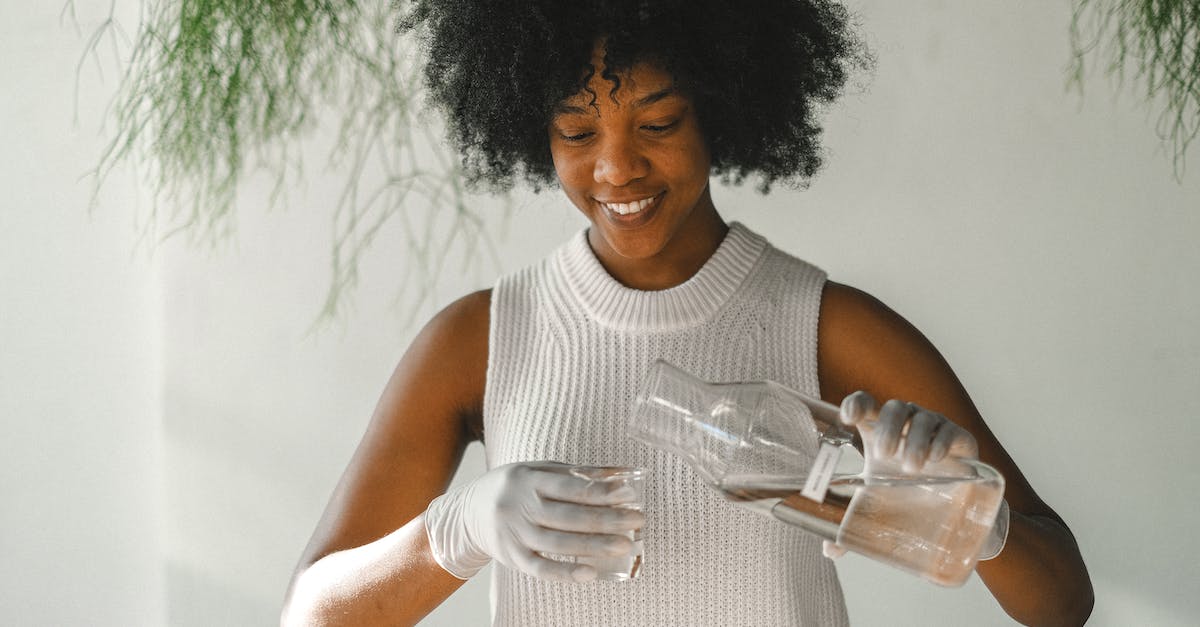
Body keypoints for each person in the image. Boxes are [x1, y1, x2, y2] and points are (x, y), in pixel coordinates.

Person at [280, 1, 1094, 625]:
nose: (616, 166)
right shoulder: (484, 338)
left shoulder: (830, 327)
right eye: (575, 129)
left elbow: (1062, 600)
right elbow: (309, 612)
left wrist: (970, 517)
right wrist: (456, 531)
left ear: (722, 106)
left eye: (659, 123)